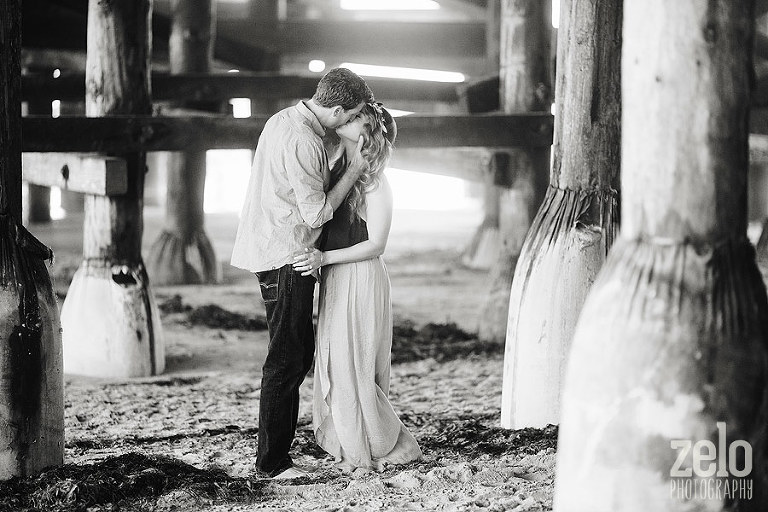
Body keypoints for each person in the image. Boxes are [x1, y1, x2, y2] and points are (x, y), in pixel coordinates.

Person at [230, 68, 374, 479]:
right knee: (286, 359)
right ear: (338, 109)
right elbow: (316, 212)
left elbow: (302, 184)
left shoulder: (283, 119)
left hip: (271, 249)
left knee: (292, 354)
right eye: (351, 116)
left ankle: (277, 455)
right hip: (286, 256)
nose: (350, 123)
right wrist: (354, 169)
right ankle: (271, 464)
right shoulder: (304, 140)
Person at [292, 103, 423, 472]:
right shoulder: (338, 171)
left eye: (353, 118)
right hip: (337, 276)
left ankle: (385, 444)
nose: (344, 119)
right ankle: (352, 441)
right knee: (336, 362)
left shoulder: (378, 181)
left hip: (361, 276)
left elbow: (377, 244)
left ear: (367, 132)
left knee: (355, 365)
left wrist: (324, 260)